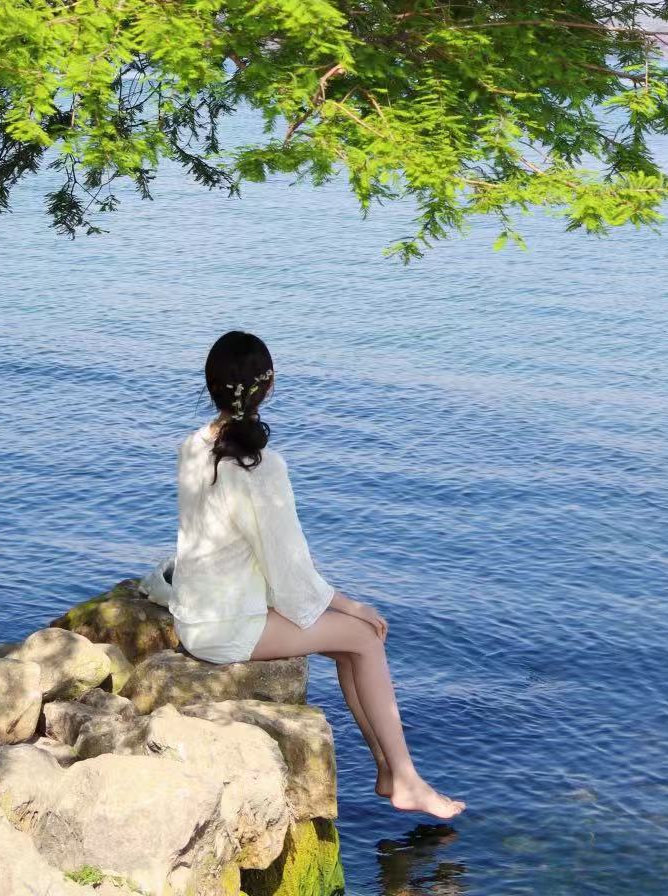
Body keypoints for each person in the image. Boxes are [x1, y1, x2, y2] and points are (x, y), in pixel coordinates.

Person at [166, 328, 465, 821]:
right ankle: (406, 777)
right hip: (226, 627)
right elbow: (291, 573)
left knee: (352, 643)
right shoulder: (260, 469)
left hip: (200, 612)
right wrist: (349, 604)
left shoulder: (193, 446)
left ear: (211, 385)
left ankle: (391, 772)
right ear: (269, 386)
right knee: (366, 635)